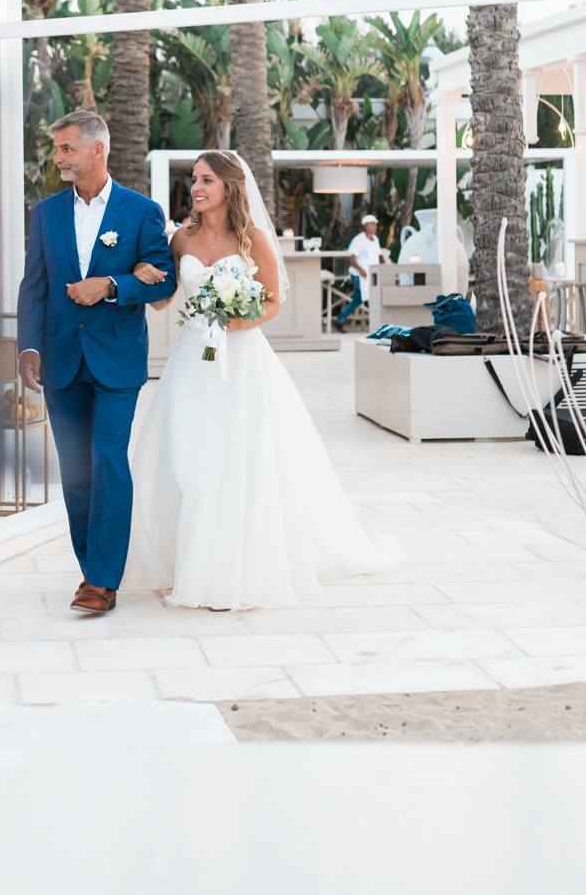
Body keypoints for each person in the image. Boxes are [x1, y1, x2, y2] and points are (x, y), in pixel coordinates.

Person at [123, 152, 399, 610]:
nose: (196, 187)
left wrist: (237, 320)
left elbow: (272, 301)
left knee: (235, 459)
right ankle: (184, 562)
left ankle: (232, 568)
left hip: (242, 360)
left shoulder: (252, 239)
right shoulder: (181, 240)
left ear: (230, 187)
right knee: (186, 457)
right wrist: (143, 276)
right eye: (194, 179)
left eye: (207, 180)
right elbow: (163, 300)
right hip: (193, 359)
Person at [17, 110, 177, 615]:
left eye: (66, 148)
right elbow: (34, 287)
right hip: (60, 361)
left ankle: (102, 580)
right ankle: (93, 569)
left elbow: (165, 280)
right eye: (57, 149)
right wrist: (28, 347)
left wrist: (111, 286)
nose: (58, 158)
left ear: (97, 150)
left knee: (109, 461)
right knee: (76, 470)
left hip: (116, 359)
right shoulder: (44, 214)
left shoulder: (141, 211)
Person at [335, 213, 384, 330]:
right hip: (359, 275)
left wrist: (385, 267)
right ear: (365, 226)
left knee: (359, 300)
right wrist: (361, 270)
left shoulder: (375, 239)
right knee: (369, 298)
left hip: (372, 276)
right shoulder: (358, 240)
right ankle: (378, 325)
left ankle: (340, 319)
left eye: (375, 224)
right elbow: (351, 258)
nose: (374, 227)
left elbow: (379, 256)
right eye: (372, 224)